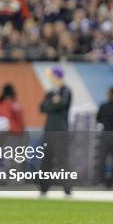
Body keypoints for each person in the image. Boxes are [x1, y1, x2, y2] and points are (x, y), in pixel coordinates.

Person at [39, 66, 72, 195]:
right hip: (49, 130)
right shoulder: (51, 92)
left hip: (60, 130)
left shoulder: (66, 90)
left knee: (62, 160)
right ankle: (44, 188)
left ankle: (67, 189)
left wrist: (51, 104)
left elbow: (62, 103)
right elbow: (42, 107)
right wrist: (53, 103)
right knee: (46, 160)